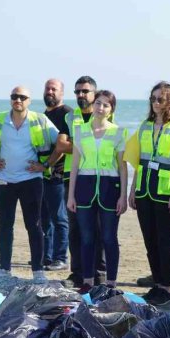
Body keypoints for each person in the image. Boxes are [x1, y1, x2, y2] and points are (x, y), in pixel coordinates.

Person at [0, 87, 58, 282]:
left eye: (22, 97)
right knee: (5, 225)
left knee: (34, 225)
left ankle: (38, 271)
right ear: (10, 100)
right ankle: (4, 269)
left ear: (29, 101)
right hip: (4, 179)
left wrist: (45, 165)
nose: (18, 100)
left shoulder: (39, 120)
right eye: (14, 97)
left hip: (31, 181)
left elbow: (62, 143)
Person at [128, 81, 170, 306]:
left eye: (160, 99)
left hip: (166, 191)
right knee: (149, 240)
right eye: (152, 99)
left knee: (165, 239)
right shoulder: (145, 126)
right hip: (144, 190)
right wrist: (133, 189)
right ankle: (157, 283)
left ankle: (166, 286)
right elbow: (139, 162)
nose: (155, 103)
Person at [66, 90, 128, 293]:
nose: (101, 108)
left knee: (109, 237)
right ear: (93, 106)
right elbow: (74, 164)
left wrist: (123, 196)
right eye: (98, 103)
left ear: (111, 110)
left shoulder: (119, 132)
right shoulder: (80, 130)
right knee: (86, 237)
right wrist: (71, 195)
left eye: (106, 105)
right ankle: (88, 281)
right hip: (84, 187)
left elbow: (122, 167)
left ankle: (111, 283)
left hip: (110, 188)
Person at [58, 76, 106, 287]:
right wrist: (86, 144)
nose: (80, 95)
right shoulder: (70, 116)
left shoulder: (105, 114)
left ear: (94, 94)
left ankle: (99, 275)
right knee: (76, 228)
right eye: (77, 91)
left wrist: (77, 144)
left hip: (100, 178)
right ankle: (77, 273)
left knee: (99, 228)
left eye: (85, 91)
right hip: (73, 178)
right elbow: (61, 145)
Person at [41, 78, 72, 270]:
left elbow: (62, 146)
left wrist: (47, 164)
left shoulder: (66, 114)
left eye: (54, 89)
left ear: (62, 93)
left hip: (58, 174)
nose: (50, 92)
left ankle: (61, 257)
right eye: (47, 89)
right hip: (43, 175)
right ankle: (47, 255)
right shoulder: (44, 115)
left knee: (59, 217)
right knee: (44, 217)